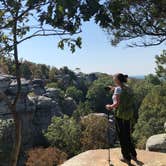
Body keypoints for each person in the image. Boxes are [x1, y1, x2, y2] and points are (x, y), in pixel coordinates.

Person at [105, 73, 137, 166]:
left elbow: (117, 103)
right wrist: (113, 88)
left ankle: (126, 157)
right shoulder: (127, 87)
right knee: (127, 134)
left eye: (114, 78)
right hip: (128, 114)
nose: (113, 79)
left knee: (122, 136)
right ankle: (133, 154)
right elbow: (122, 92)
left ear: (118, 80)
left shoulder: (118, 89)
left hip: (120, 115)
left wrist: (109, 106)